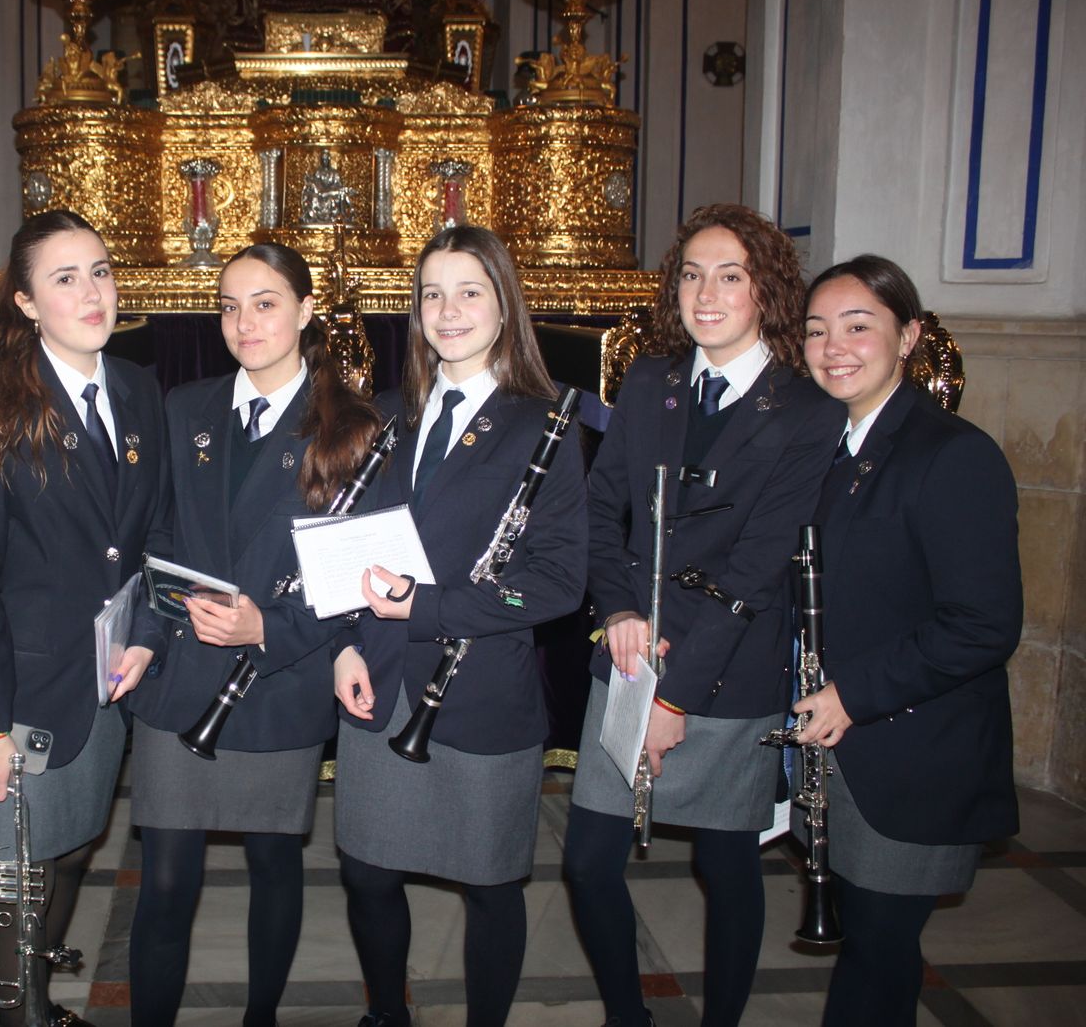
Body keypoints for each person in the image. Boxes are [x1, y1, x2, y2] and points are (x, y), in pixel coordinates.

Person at [563, 203, 844, 1027]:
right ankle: (629, 1016)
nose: (706, 293)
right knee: (587, 861)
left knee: (727, 865)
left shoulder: (807, 410)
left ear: (766, 291)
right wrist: (615, 606)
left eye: (729, 275)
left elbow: (760, 567)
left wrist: (675, 695)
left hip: (726, 671)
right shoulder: (650, 380)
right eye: (691, 275)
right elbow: (599, 507)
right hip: (627, 657)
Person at [331, 224, 588, 1027]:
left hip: (478, 688)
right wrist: (342, 640)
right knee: (368, 872)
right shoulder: (384, 417)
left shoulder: (542, 424)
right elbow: (348, 547)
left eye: (469, 291)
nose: (448, 311)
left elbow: (556, 582)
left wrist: (429, 608)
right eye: (432, 293)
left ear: (505, 305)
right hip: (380, 677)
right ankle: (387, 1015)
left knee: (489, 884)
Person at [126, 242, 382, 1027]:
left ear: (306, 313)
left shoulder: (353, 427)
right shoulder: (185, 407)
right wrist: (141, 635)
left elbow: (356, 576)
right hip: (181, 672)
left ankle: (260, 1017)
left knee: (275, 864)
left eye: (266, 302)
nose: (245, 322)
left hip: (280, 674)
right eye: (230, 305)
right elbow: (156, 531)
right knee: (165, 879)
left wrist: (266, 625)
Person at [0, 210, 169, 1026]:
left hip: (101, 681)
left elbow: (150, 537)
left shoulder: (137, 388)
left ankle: (36, 1000)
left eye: (99, 271)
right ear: (27, 302)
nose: (91, 292)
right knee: (15, 877)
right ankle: (18, 1014)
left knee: (68, 853)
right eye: (65, 278)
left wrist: (147, 633)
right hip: (18, 692)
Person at [796, 255, 1020, 1026]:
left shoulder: (952, 454)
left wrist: (852, 694)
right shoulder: (829, 447)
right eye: (818, 330)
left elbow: (984, 625)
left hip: (915, 751)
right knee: (869, 938)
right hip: (846, 751)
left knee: (880, 953)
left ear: (910, 336)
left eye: (859, 327)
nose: (835, 347)